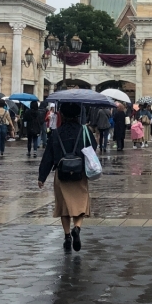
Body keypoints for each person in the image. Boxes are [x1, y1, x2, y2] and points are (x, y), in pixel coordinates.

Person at [37, 101, 96, 252]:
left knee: (63, 207)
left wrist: (42, 176)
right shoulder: (85, 131)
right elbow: (93, 147)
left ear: (62, 114)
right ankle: (77, 228)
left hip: (62, 174)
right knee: (81, 204)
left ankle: (67, 236)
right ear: (78, 115)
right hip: (80, 173)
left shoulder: (56, 132)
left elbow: (48, 156)